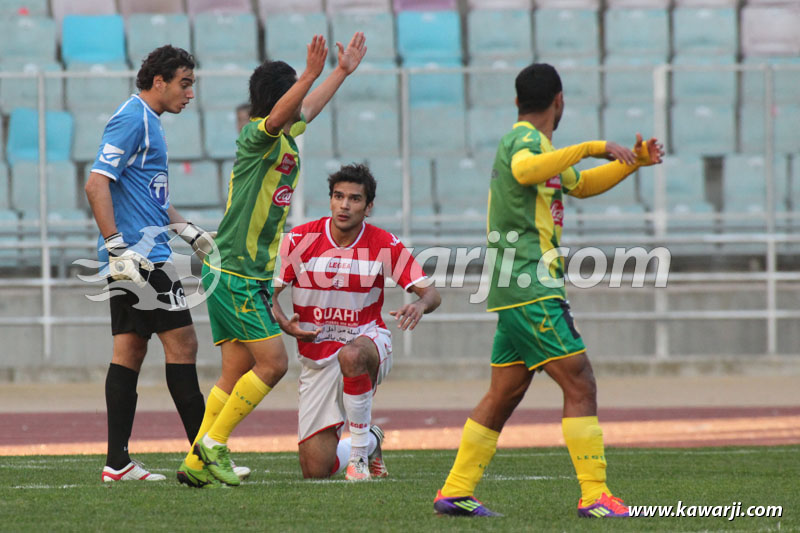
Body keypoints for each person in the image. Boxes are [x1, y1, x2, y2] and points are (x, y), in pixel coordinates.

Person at [433, 63, 664, 517]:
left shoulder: (545, 152)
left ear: (518, 100)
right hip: (529, 285)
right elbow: (524, 171)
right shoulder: (524, 141)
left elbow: (579, 184)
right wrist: (593, 146)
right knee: (580, 381)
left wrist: (630, 162)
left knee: (506, 392)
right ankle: (595, 495)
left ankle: (456, 491)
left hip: (520, 287)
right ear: (559, 101)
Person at [177, 33, 368, 488]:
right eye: (294, 93)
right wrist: (308, 74)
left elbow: (307, 110)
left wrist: (339, 72)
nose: (298, 102)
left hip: (241, 272)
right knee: (273, 364)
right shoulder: (257, 137)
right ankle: (215, 445)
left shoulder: (284, 137)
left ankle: (195, 461)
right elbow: (286, 112)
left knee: (235, 370)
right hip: (236, 271)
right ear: (278, 98)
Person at [84, 45, 217, 482]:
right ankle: (205, 458)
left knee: (130, 350)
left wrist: (189, 232)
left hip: (142, 254)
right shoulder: (133, 118)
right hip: (143, 260)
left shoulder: (149, 122)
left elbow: (149, 197)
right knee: (184, 345)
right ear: (158, 81)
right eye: (185, 83)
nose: (190, 93)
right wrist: (118, 248)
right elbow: (96, 184)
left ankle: (117, 463)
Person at [272, 163, 441, 481]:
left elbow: (431, 293)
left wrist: (419, 305)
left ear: (368, 206)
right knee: (315, 470)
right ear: (330, 200)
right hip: (317, 360)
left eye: (354, 199)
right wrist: (284, 323)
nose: (344, 205)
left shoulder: (383, 243)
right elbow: (269, 295)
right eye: (338, 196)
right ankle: (372, 440)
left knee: (350, 355)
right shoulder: (299, 239)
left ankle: (359, 458)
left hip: (368, 342)